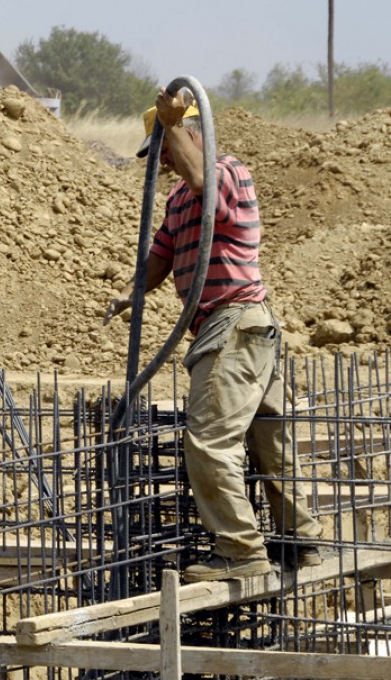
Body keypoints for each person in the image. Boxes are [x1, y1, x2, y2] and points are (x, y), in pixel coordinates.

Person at [104, 89, 323, 582]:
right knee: (270, 444)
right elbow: (159, 256)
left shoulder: (225, 171)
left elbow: (200, 175)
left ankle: (242, 551)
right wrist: (129, 292)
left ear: (191, 133)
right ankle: (300, 542)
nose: (160, 158)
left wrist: (172, 122)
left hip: (233, 322)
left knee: (208, 442)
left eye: (165, 144)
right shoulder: (179, 198)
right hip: (241, 328)